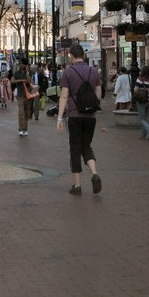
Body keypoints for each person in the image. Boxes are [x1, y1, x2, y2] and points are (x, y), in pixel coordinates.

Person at [56, 44, 102, 196]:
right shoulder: (94, 71)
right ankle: (95, 174)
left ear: (71, 56)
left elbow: (64, 96)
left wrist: (60, 118)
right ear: (84, 54)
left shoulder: (68, 72)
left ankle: (77, 185)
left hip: (75, 116)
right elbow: (98, 95)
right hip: (91, 117)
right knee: (86, 145)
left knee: (75, 149)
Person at [11, 59, 35, 137]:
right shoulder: (17, 73)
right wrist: (21, 80)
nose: (20, 65)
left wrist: (27, 71)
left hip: (28, 95)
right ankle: (21, 129)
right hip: (20, 95)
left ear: (25, 65)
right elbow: (12, 81)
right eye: (20, 63)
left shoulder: (30, 73)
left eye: (22, 64)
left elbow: (28, 80)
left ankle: (25, 129)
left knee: (27, 112)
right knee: (21, 112)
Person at [133, 66, 149, 140]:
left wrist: (143, 89)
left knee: (142, 119)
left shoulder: (140, 79)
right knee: (145, 119)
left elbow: (135, 89)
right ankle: (143, 136)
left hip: (142, 101)